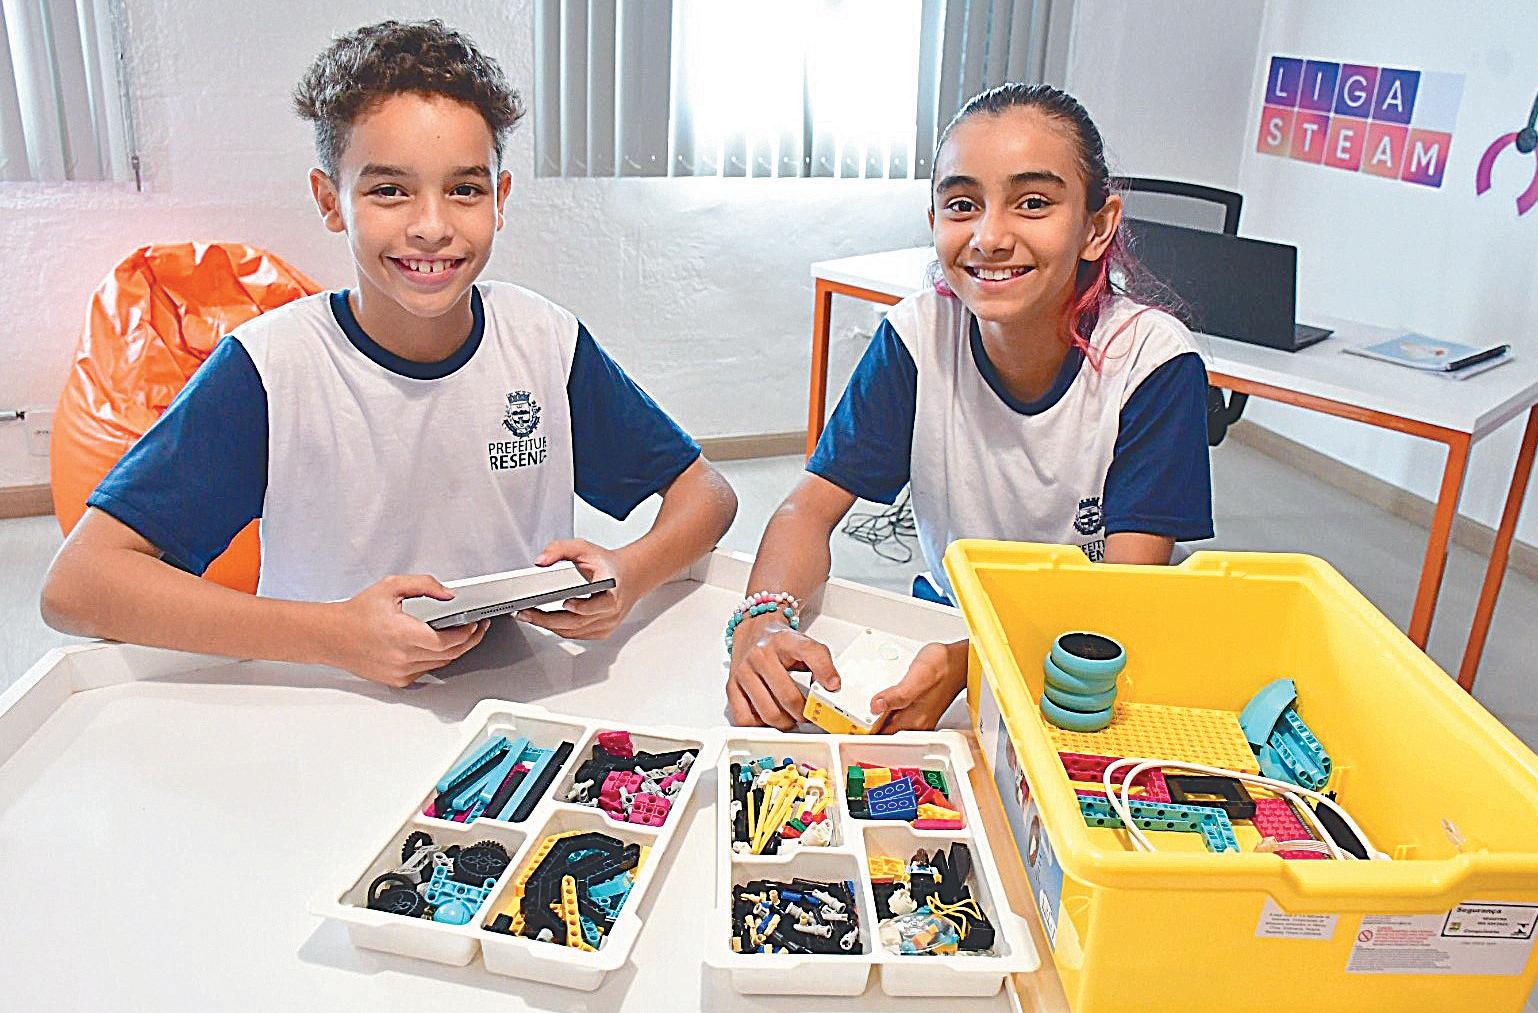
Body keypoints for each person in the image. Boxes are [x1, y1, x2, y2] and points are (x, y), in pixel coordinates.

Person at [41, 20, 737, 687]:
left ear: (500, 199)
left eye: (464, 189)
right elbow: (78, 585)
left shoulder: (545, 342)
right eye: (389, 191)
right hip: (328, 704)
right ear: (331, 201)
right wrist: (334, 636)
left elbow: (706, 493)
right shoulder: (270, 369)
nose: (431, 226)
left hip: (512, 708)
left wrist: (628, 573)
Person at [725, 83, 1211, 732]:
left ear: (1097, 227)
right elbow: (807, 509)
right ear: (934, 223)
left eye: (1032, 203)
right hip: (951, 622)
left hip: (1083, 668)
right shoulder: (917, 337)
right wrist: (762, 619)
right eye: (962, 205)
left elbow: (1123, 600)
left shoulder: (1151, 363)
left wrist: (971, 663)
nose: (990, 236)